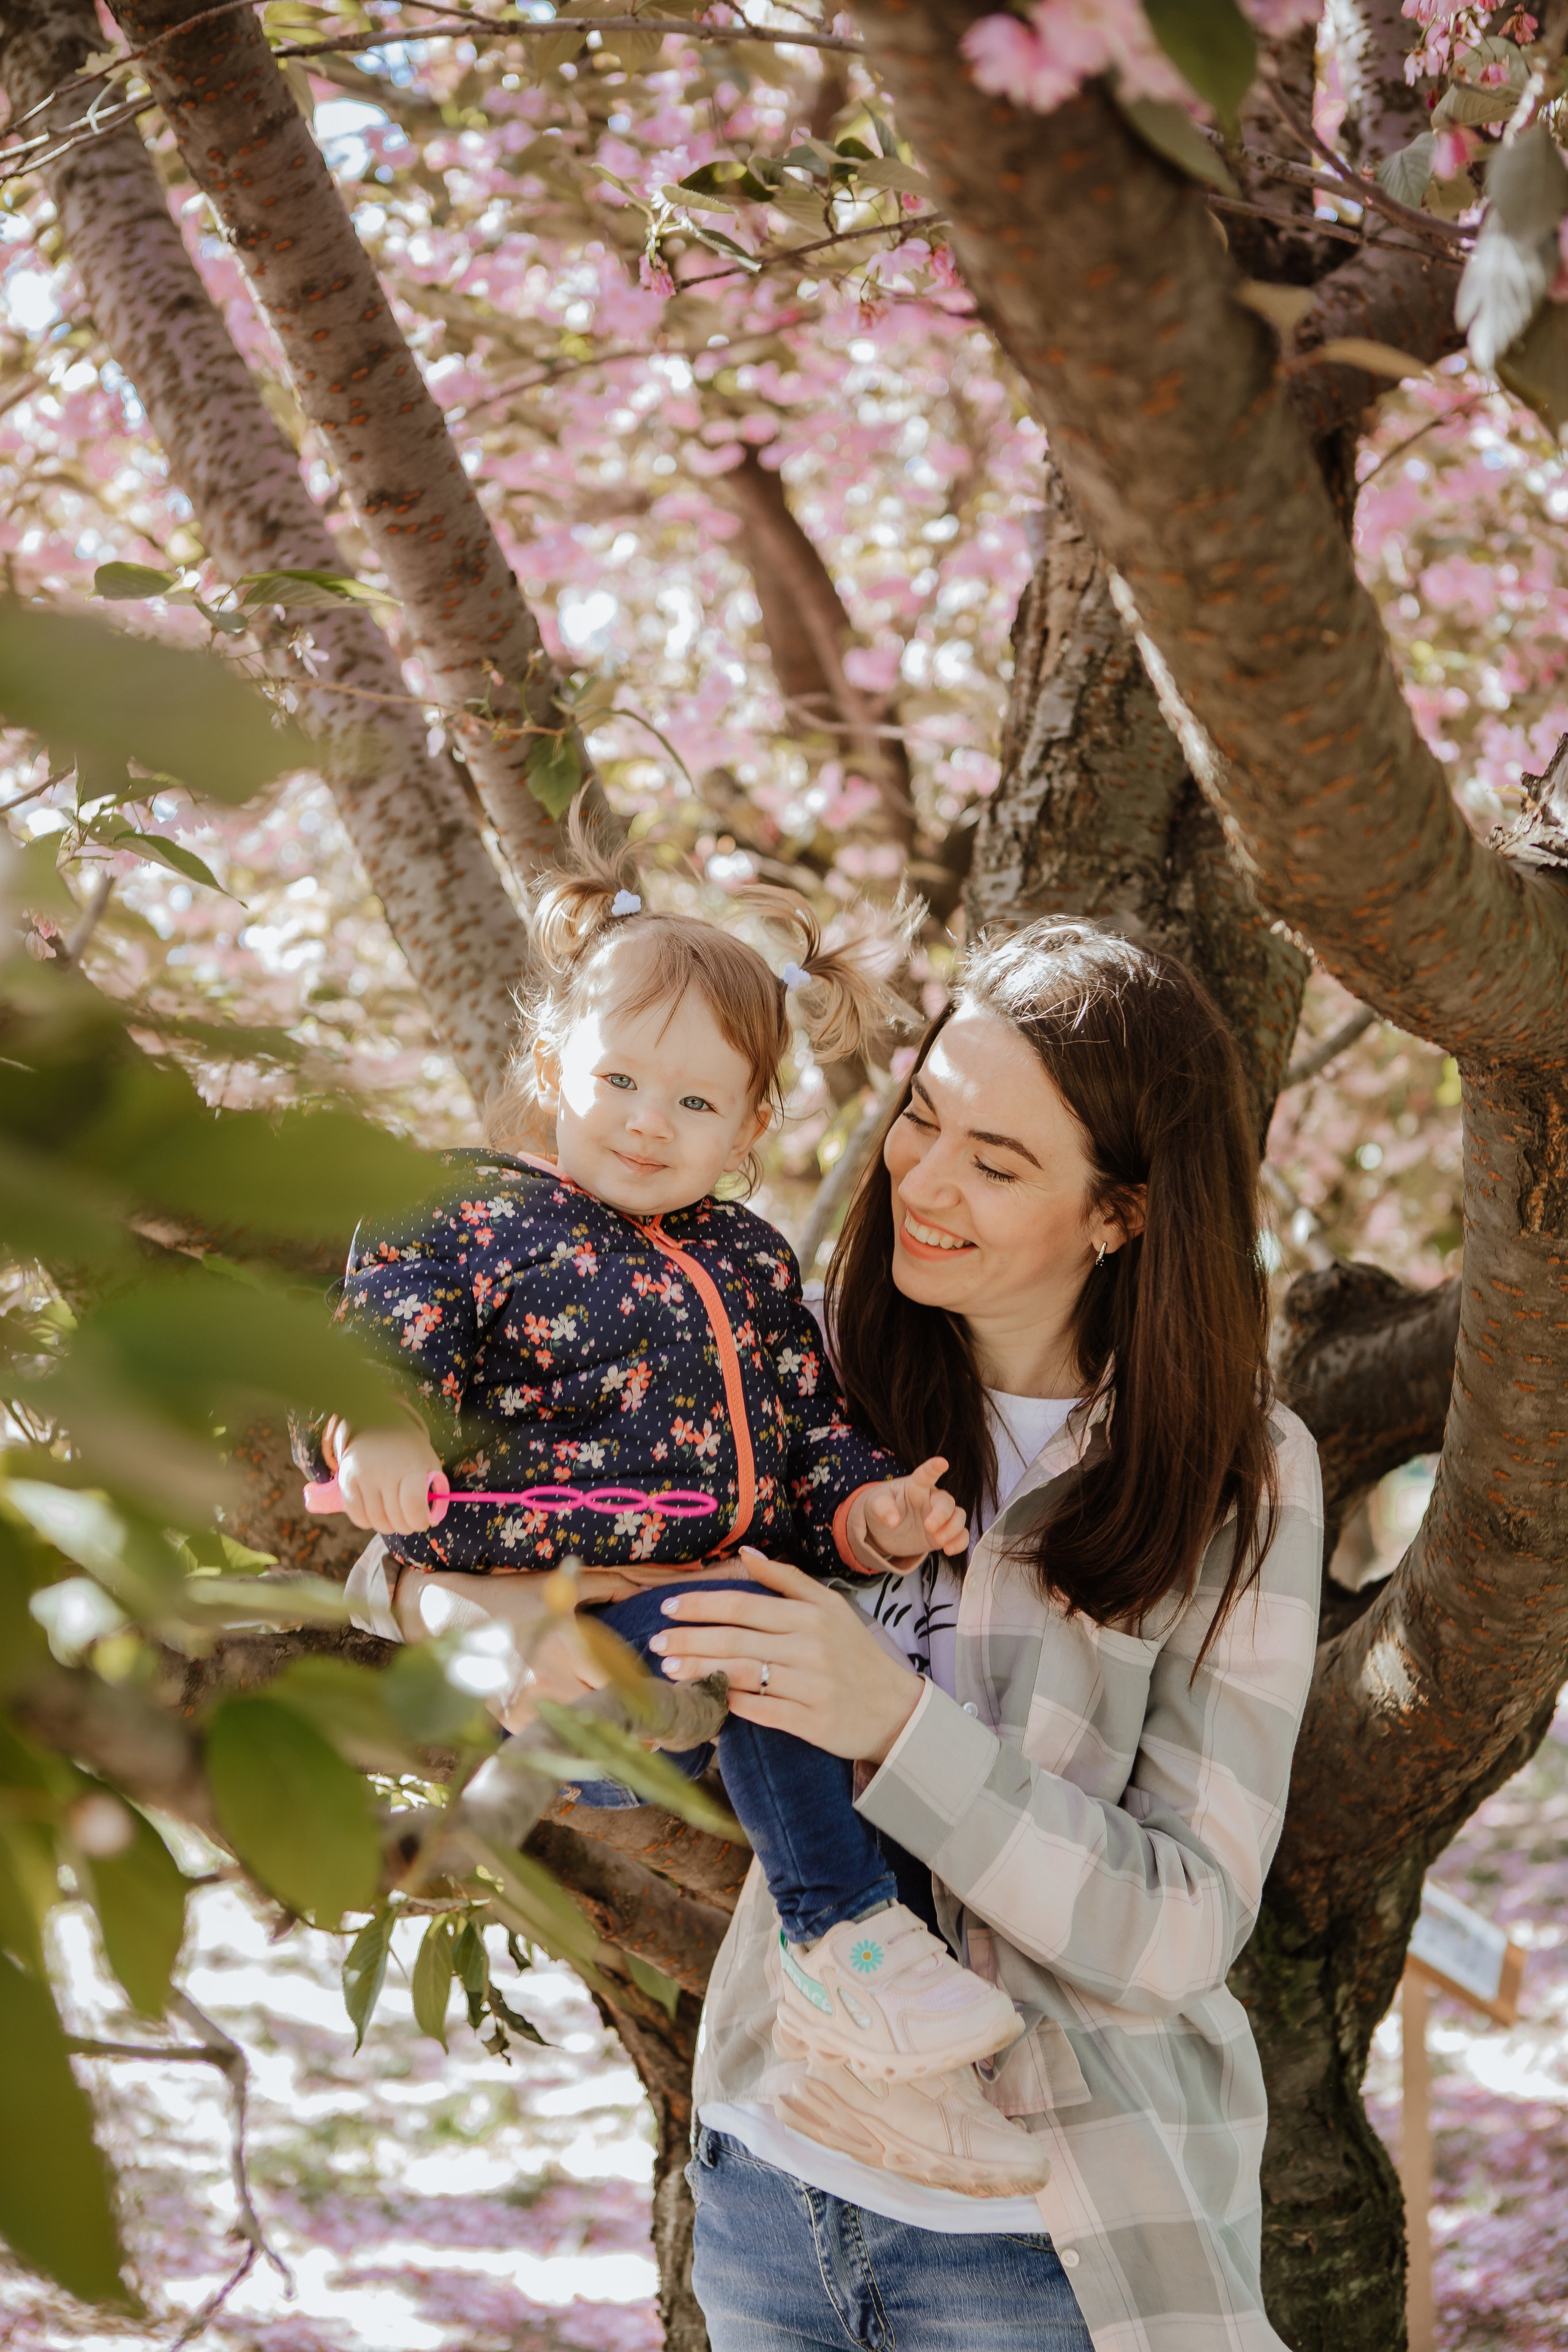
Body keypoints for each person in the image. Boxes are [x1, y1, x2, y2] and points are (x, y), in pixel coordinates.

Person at [300, 809, 1049, 2197]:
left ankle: (852, 1988)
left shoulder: (753, 1262)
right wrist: (387, 1431)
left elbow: (806, 1429)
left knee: (790, 1633)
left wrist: (864, 1512)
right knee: (744, 1635)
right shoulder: (470, 1216)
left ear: (753, 1126)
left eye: (696, 1104)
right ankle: (845, 1939)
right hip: (545, 1589)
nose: (650, 1123)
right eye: (620, 1082)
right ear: (549, 1068)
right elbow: (382, 1333)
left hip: (691, 1624)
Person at [646, 921, 1325, 2352]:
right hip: (775, 2195)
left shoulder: (1234, 1472)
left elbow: (1179, 1926)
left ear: (1119, 1215)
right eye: (920, 1117)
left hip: (1046, 2241)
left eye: (997, 1162)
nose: (926, 1182)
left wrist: (890, 1725)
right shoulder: (798, 1377)